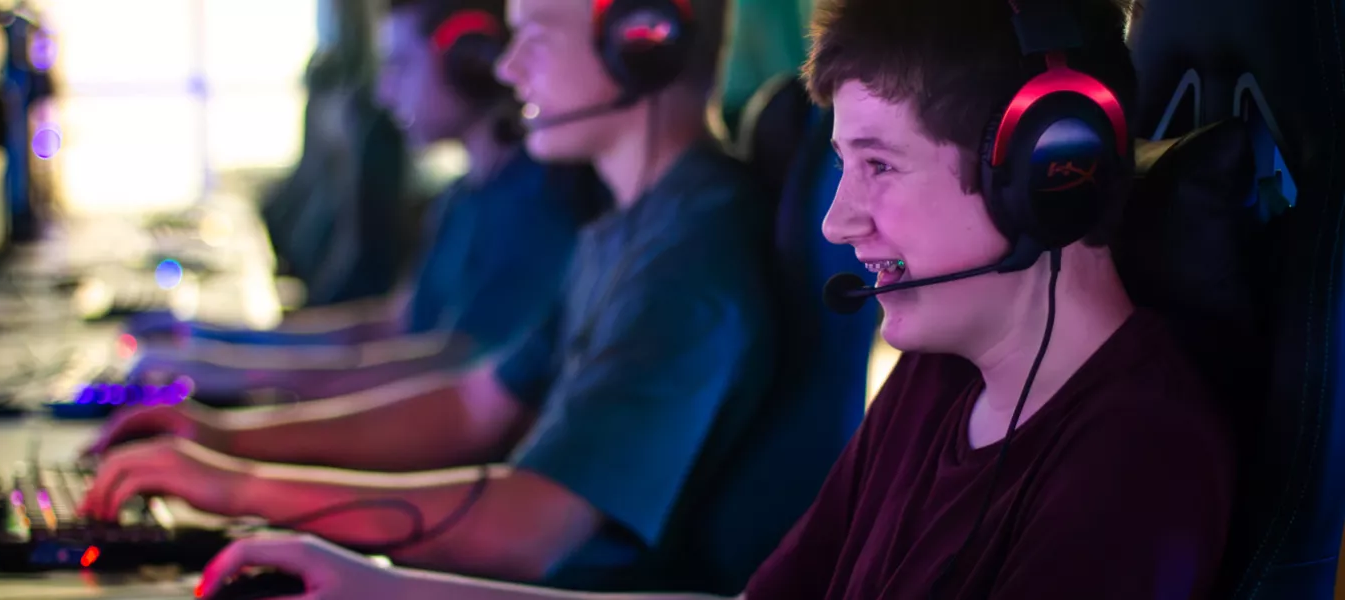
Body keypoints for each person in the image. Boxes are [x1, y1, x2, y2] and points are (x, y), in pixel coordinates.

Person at [191, 0, 1237, 598]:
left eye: (878, 167)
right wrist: (383, 591)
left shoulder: (1135, 458)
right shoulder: (934, 386)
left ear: (1051, 172)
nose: (838, 220)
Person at [84, 0, 780, 593]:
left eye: (534, 36)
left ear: (642, 42)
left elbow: (526, 534)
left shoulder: (689, 262)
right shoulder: (630, 228)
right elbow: (473, 402)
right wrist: (222, 443)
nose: (506, 71)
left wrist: (239, 487)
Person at [122, 0, 609, 400]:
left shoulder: (539, 206)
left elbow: (449, 366)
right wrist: (208, 339)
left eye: (399, 65)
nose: (384, 91)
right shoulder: (465, 195)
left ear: (471, 62)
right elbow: (391, 326)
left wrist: (240, 372)